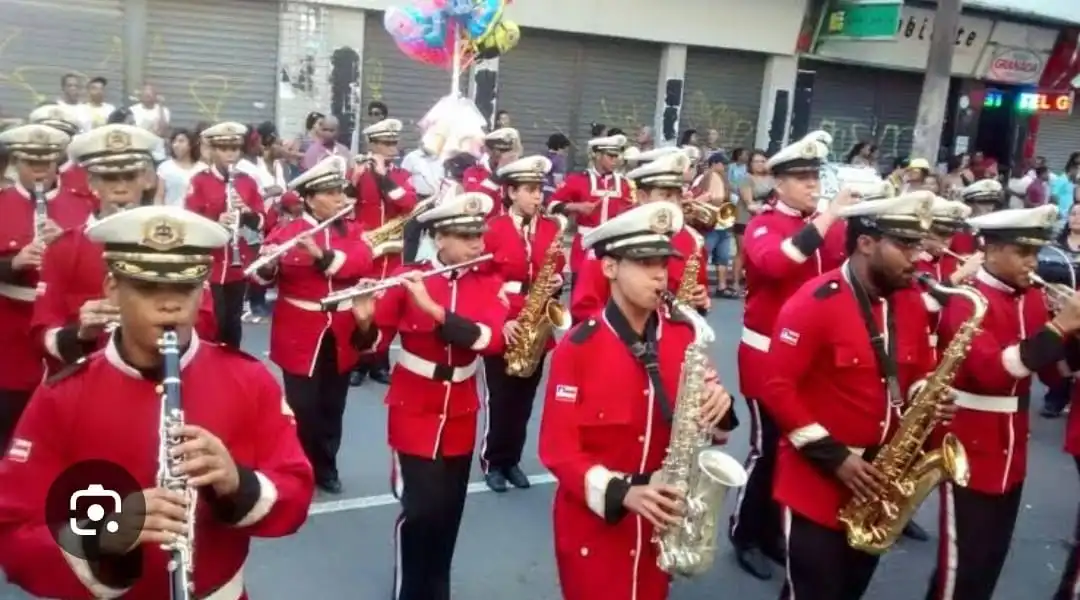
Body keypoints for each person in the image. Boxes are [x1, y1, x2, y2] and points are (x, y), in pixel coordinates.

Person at [0, 205, 314, 598]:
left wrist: (238, 483)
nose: (171, 305)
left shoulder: (247, 380)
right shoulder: (63, 395)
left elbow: (296, 493)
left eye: (185, 287)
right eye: (148, 288)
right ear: (112, 287)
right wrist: (104, 536)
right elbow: (13, 535)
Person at [537, 200, 734, 600]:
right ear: (610, 268)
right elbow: (557, 450)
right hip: (597, 524)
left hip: (662, 521)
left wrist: (720, 407)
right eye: (644, 263)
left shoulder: (684, 335)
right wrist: (623, 493)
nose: (660, 274)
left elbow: (713, 425)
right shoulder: (578, 347)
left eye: (663, 262)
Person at [761, 191, 947, 600]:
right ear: (866, 243)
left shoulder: (910, 302)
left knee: (848, 590)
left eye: (918, 244)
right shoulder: (815, 301)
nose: (917, 257)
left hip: (880, 481)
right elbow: (776, 387)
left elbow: (915, 371)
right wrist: (835, 458)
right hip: (817, 481)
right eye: (904, 245)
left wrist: (924, 395)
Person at [355, 191, 507, 600]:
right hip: (414, 406)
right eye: (465, 236)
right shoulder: (409, 278)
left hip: (461, 408)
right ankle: (408, 592)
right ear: (440, 239)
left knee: (448, 513)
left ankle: (437, 589)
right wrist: (365, 319)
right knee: (419, 510)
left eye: (479, 235)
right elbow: (371, 347)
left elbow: (491, 341)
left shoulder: (489, 282)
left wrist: (436, 311)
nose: (477, 244)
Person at [926, 204, 1080, 600]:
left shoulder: (1028, 298)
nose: (1032, 263)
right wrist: (1060, 325)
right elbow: (995, 371)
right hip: (968, 442)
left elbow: (1051, 374)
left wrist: (1073, 343)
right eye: (1022, 252)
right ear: (992, 249)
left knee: (991, 556)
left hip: (1011, 446)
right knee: (962, 562)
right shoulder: (965, 299)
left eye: (1035, 253)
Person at [729, 132, 858, 578]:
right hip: (766, 357)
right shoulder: (765, 224)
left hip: (814, 363)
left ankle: (772, 533)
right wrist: (826, 219)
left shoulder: (831, 224)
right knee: (765, 451)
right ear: (778, 184)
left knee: (796, 451)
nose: (811, 184)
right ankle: (745, 532)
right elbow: (776, 264)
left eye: (815, 176)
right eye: (801, 177)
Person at [32, 124, 218, 376]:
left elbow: (206, 321)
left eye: (130, 176)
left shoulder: (180, 243)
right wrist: (79, 334)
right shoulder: (64, 247)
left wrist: (162, 322)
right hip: (87, 379)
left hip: (164, 375)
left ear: (147, 178)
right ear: (91, 181)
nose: (120, 187)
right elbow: (42, 329)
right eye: (109, 178)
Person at [252, 156, 373, 495]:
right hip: (300, 332)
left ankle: (326, 466)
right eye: (331, 193)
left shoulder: (353, 230)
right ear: (308, 198)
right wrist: (268, 265)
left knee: (333, 405)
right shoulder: (286, 232)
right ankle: (299, 466)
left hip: (342, 329)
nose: (340, 199)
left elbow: (362, 262)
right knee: (303, 406)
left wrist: (320, 256)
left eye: (340, 191)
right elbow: (265, 281)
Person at [479, 155, 567, 493]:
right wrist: (499, 320)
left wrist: (559, 277)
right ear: (511, 191)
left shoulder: (550, 228)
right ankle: (492, 460)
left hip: (538, 317)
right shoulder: (492, 228)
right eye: (530, 190)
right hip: (506, 316)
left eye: (540, 191)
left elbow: (556, 265)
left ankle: (511, 459)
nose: (537, 197)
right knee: (500, 398)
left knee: (524, 399)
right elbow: (482, 281)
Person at [0, 123, 88, 450]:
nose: (39, 171)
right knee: (10, 417)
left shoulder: (83, 205)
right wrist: (14, 264)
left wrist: (65, 246)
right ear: (15, 163)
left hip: (63, 323)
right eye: (30, 164)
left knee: (64, 416)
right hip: (10, 326)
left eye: (47, 164)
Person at [570, 152, 710, 323]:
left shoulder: (693, 240)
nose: (674, 203)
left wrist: (702, 302)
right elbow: (585, 307)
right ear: (642, 197)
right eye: (666, 195)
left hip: (677, 340)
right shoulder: (613, 240)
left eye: (677, 196)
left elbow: (700, 290)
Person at [185, 121, 267, 349]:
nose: (230, 154)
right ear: (212, 151)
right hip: (210, 264)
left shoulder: (247, 181)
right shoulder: (199, 181)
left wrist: (247, 213)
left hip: (236, 265)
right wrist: (216, 221)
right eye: (223, 149)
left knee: (233, 324)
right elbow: (190, 223)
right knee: (212, 321)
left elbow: (262, 222)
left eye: (234, 149)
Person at [349, 117, 418, 387]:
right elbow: (344, 207)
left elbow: (408, 203)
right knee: (361, 306)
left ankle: (379, 363)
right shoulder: (356, 172)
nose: (392, 147)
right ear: (372, 144)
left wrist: (382, 177)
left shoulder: (399, 175)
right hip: (363, 248)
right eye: (385, 143)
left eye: (393, 142)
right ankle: (358, 364)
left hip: (390, 252)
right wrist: (354, 179)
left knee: (387, 309)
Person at [547, 134, 634, 281]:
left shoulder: (625, 184)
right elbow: (551, 205)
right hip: (584, 247)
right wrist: (577, 207)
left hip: (614, 249)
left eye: (617, 156)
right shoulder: (577, 180)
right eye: (610, 156)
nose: (615, 160)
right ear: (597, 155)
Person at [27, 104, 93, 201]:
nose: (53, 142)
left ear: (70, 139)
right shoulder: (19, 174)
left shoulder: (88, 178)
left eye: (60, 137)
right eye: (46, 136)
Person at [463, 128, 521, 219]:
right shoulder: (473, 172)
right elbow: (474, 201)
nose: (504, 156)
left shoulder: (518, 172)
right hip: (485, 227)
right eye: (500, 151)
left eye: (508, 151)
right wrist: (498, 174)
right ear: (488, 151)